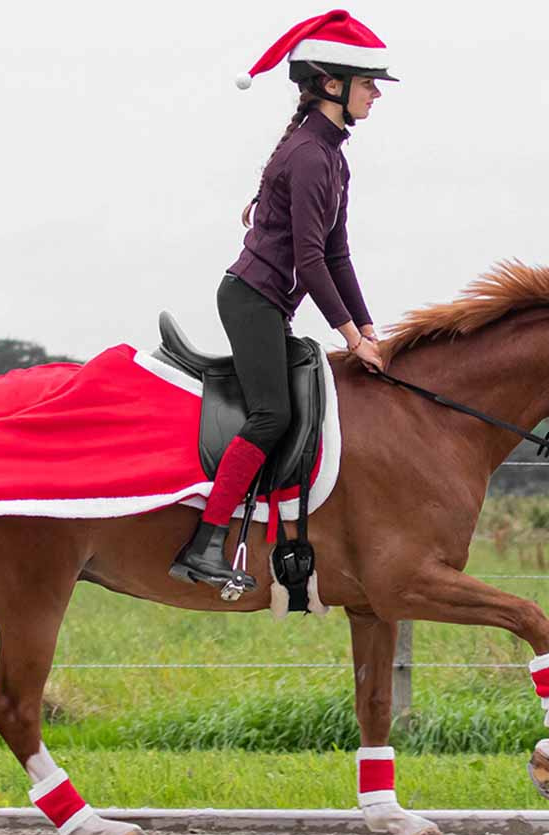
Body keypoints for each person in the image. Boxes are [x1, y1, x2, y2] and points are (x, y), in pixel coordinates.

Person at [170, 10, 397, 590]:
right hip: (250, 299)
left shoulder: (333, 156)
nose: (375, 95)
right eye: (368, 84)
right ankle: (206, 542)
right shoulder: (308, 156)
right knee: (273, 413)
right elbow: (309, 258)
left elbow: (338, 253)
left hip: (270, 302)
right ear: (331, 84)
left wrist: (368, 328)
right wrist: (349, 337)